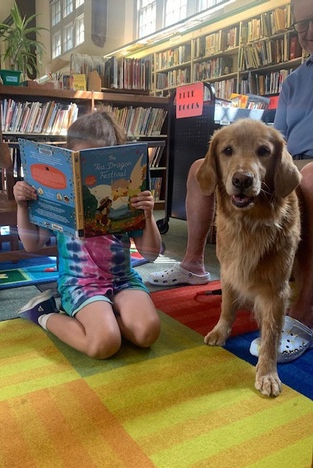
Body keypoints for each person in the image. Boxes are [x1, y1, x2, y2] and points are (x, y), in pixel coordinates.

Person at [149, 0, 313, 362]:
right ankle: (193, 264)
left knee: (311, 178)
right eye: (301, 27)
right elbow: (277, 133)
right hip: (285, 155)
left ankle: (303, 312)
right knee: (198, 171)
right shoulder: (296, 80)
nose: (308, 34)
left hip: (309, 165)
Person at [13, 111, 162, 359]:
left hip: (122, 279)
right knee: (103, 344)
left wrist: (148, 215)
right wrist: (21, 205)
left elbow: (150, 253)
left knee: (147, 334)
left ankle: (107, 316)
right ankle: (44, 313)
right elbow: (31, 244)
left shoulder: (128, 195)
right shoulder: (58, 194)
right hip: (80, 283)